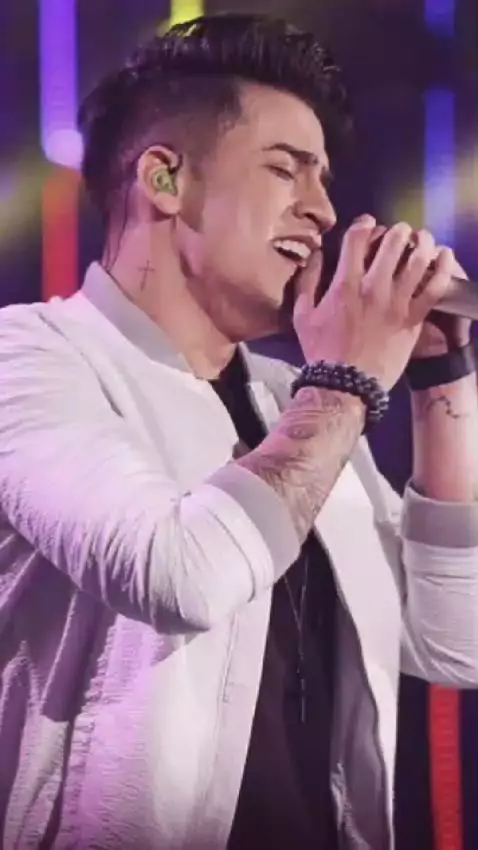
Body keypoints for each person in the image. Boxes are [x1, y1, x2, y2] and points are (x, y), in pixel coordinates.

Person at [1, 13, 478, 850]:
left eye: (324, 179)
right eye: (285, 170)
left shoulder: (295, 398)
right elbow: (179, 576)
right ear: (164, 178)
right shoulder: (31, 358)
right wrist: (347, 381)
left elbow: (455, 644)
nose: (322, 211)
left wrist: (441, 380)